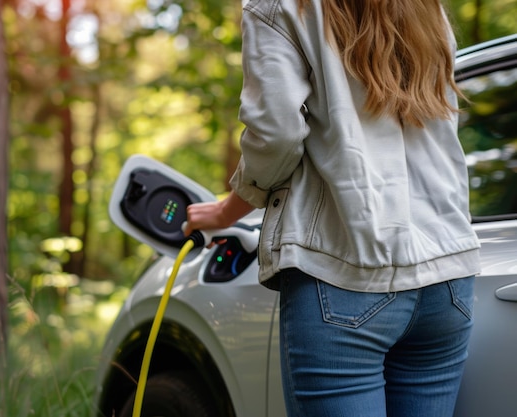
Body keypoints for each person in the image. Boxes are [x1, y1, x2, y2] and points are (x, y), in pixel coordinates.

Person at [183, 0, 481, 416]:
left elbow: (276, 134)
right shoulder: (424, 5)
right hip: (448, 275)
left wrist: (226, 211)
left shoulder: (276, 6)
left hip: (344, 269)